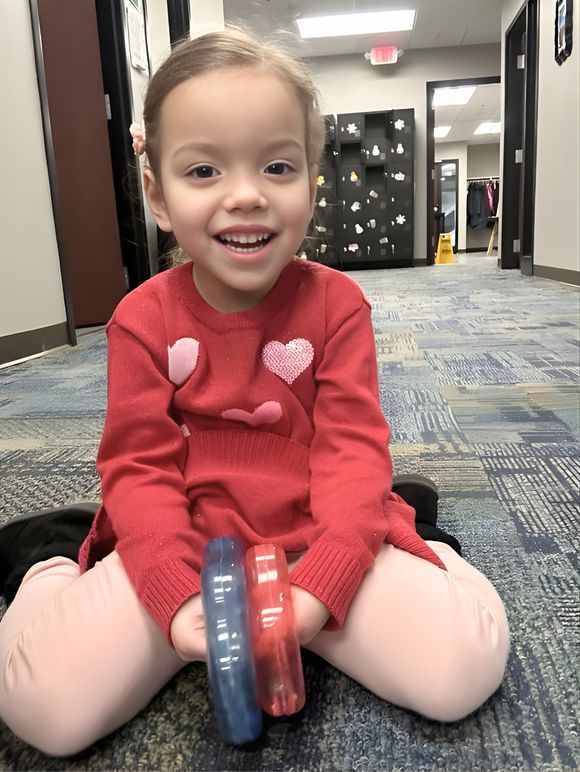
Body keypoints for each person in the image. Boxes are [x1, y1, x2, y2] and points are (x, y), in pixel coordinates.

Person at [0, 26, 509, 757]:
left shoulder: (338, 307)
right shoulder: (141, 320)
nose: (245, 195)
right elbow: (139, 467)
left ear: (311, 182)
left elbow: (352, 450)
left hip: (312, 530)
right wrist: (173, 591)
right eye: (204, 171)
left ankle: (415, 533)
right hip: (183, 538)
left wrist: (326, 581)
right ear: (158, 196)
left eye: (276, 166)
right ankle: (49, 560)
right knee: (45, 711)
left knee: (462, 668)